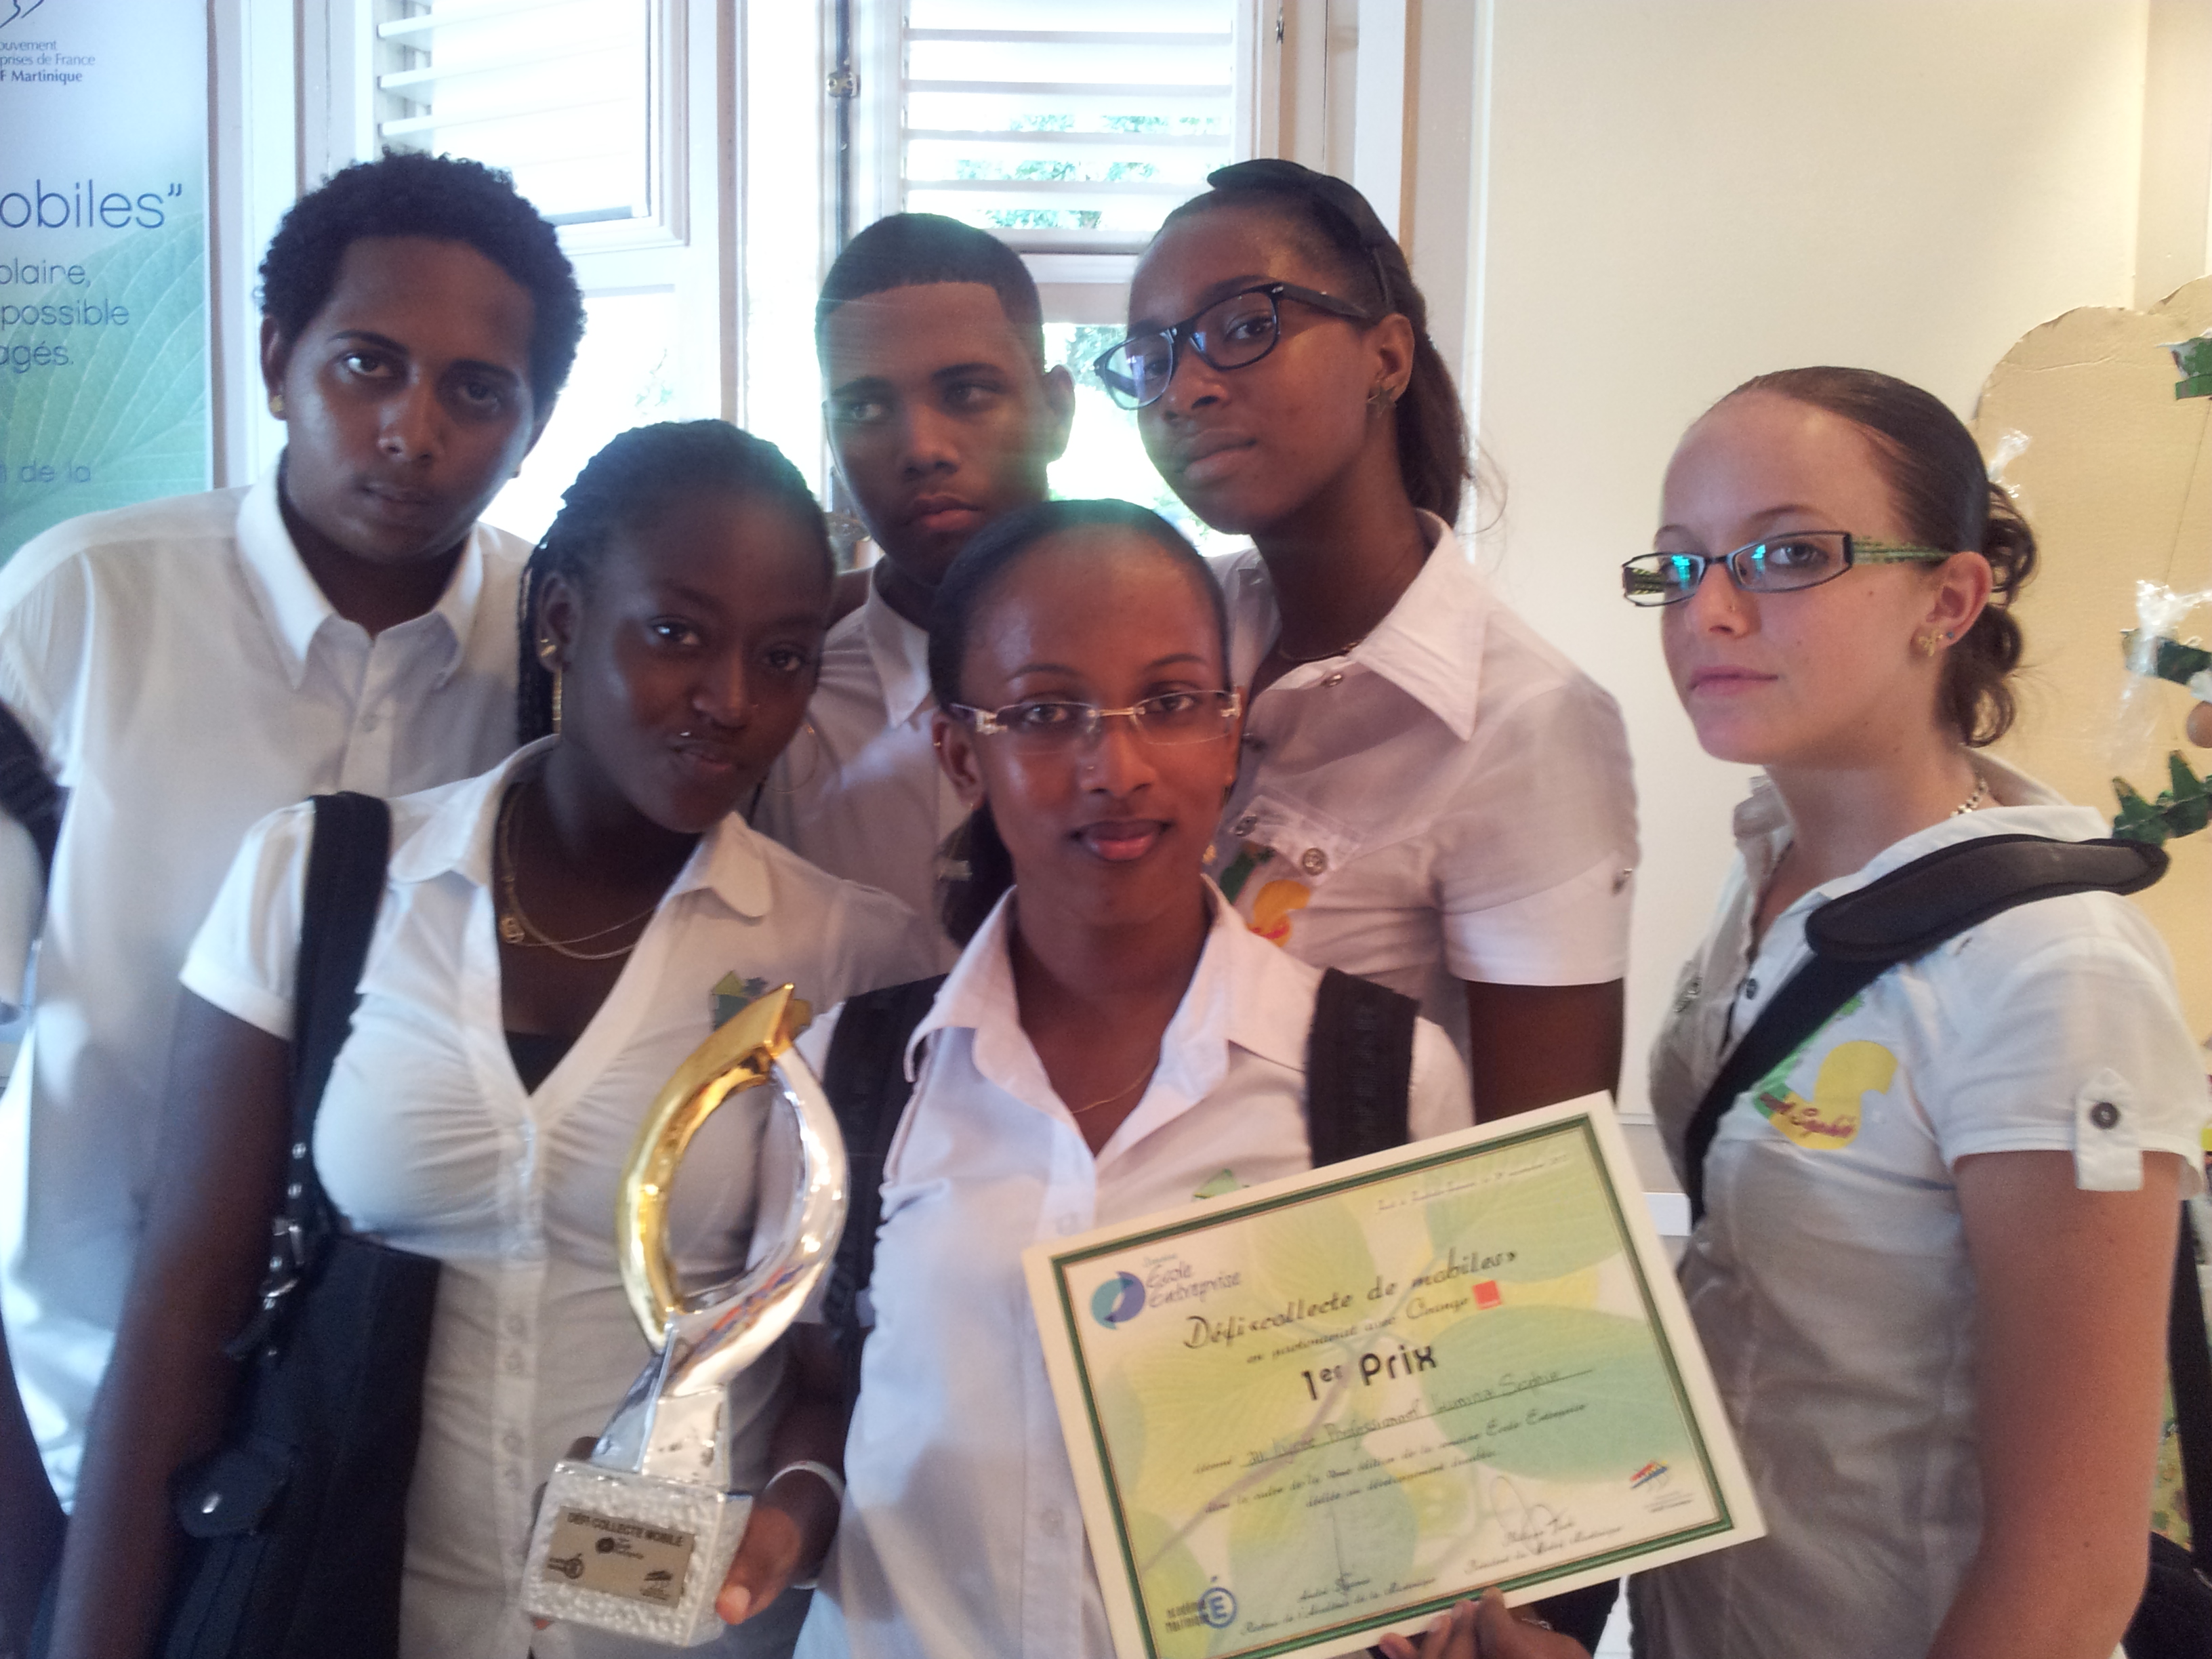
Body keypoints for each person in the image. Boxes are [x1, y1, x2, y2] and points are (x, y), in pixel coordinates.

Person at [48, 421, 942, 1659]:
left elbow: (854, 1361)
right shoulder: (327, 880)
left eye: (782, 656)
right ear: (562, 618)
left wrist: (793, 1517)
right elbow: (182, 1314)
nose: (731, 700)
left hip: (681, 1635)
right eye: (675, 634)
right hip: (348, 1613)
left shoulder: (849, 956)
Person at [710, 497, 1475, 1658]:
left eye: (1168, 702)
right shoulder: (850, 1074)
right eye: (1044, 713)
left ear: (1229, 731)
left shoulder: (1382, 1086)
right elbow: (827, 1385)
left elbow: (1441, 1436)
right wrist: (787, 1518)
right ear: (961, 753)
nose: (1114, 767)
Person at [0, 150, 586, 1540]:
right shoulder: (85, 604)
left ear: (533, 425)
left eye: (476, 391)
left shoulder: (557, 650)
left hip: (407, 1427)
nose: (411, 431)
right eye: (367, 365)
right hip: (73, 1385)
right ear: (277, 361)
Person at [1625, 367, 2207, 1659]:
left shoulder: (2050, 971)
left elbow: (2067, 1582)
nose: (1707, 609)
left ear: (1946, 600)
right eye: (1678, 564)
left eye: (1786, 554)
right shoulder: (1766, 869)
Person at [1109, 160, 1637, 1120]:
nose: (1183, 390)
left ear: (1386, 358)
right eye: (1151, 358)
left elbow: (1538, 1164)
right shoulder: (1175, 629)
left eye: (1245, 327)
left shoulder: (1525, 725)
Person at [750, 213, 1074, 944]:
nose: (922, 448)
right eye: (865, 408)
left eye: (967, 393)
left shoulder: (1185, 672)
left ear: (1056, 411)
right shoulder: (776, 715)